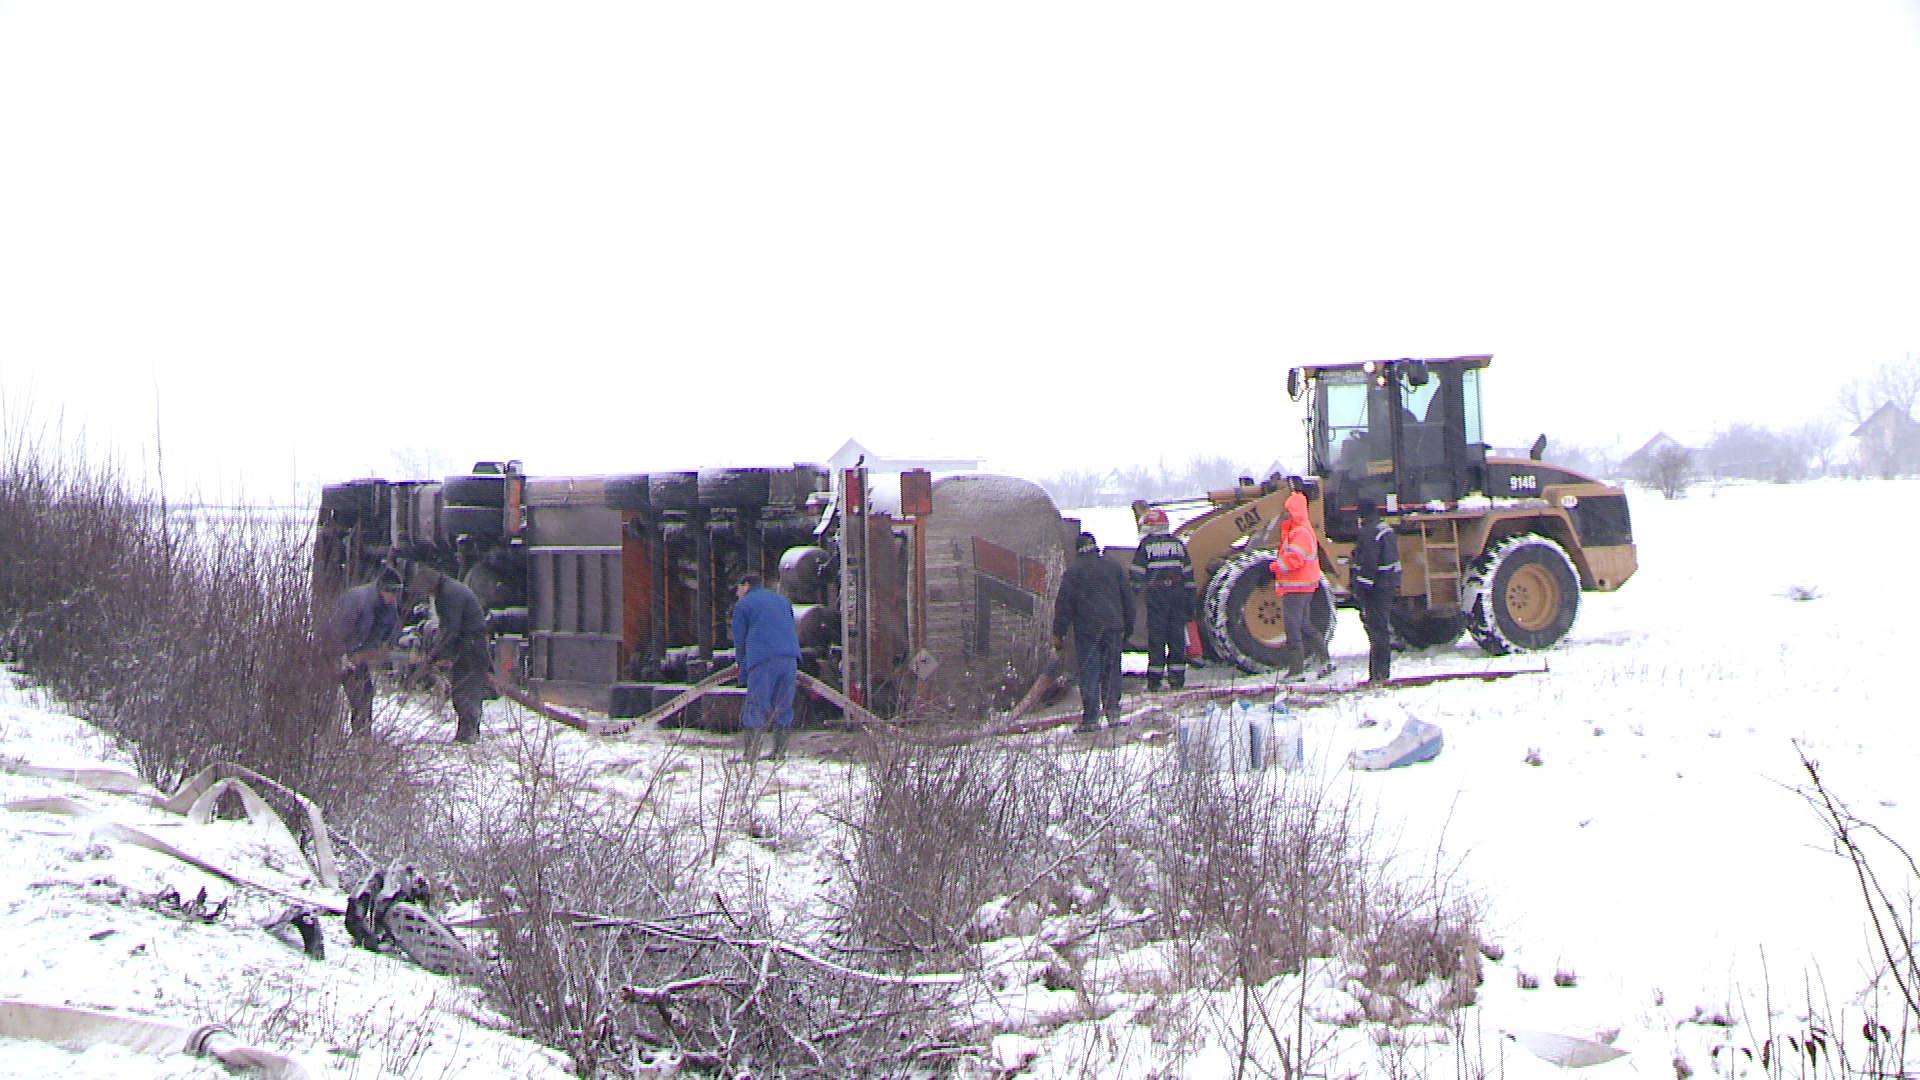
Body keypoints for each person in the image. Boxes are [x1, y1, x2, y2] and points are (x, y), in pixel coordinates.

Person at [1052, 532, 1134, 732]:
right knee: (1112, 671)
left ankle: (1090, 719)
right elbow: (1128, 600)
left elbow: (1064, 605)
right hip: (1114, 627)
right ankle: (1113, 714)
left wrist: (1059, 633)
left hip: (1088, 630)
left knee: (1090, 672)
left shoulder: (1074, 572)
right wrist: (1128, 628)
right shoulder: (1113, 567)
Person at [407, 564, 493, 743]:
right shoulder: (447, 590)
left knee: (466, 688)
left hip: (471, 645)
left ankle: (468, 733)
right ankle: (467, 731)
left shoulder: (448, 595)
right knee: (464, 688)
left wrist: (434, 655)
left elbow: (450, 629)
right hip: (470, 644)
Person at [730, 572, 801, 764]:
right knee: (783, 706)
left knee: (756, 706)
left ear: (745, 586)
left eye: (738, 588)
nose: (737, 593)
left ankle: (751, 754)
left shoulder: (743, 606)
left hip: (763, 658)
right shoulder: (782, 601)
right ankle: (780, 752)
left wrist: (743, 672)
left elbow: (740, 642)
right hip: (790, 657)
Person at [329, 570, 403, 735]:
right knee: (324, 696)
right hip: (332, 652)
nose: (394, 597)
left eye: (397, 593)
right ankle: (317, 735)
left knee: (364, 693)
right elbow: (336, 629)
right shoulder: (357, 599)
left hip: (358, 656)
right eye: (391, 592)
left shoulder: (389, 609)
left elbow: (386, 634)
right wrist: (339, 654)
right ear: (381, 589)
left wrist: (370, 653)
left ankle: (361, 736)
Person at [1130, 508, 1195, 691]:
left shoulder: (1146, 546)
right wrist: (1190, 601)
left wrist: (1128, 598)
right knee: (1177, 637)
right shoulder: (1178, 545)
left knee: (1157, 638)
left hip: (1156, 595)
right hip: (1178, 594)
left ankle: (1155, 680)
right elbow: (1188, 574)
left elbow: (1137, 575)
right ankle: (1177, 678)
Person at [1269, 491, 1329, 680]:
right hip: (1302, 587)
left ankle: (1296, 670)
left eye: (1288, 510)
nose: (1285, 514)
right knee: (1304, 626)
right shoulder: (1301, 530)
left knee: (1293, 629)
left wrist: (1276, 566)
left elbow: (1296, 558)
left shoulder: (1300, 532)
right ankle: (1324, 660)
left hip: (1296, 587)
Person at [1349, 497, 1401, 686]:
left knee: (1377, 632)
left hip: (1376, 589)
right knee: (1382, 630)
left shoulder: (1369, 532)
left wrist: (1361, 588)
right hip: (1387, 586)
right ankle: (1381, 673)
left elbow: (1369, 563)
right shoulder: (1384, 528)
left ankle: (1379, 675)